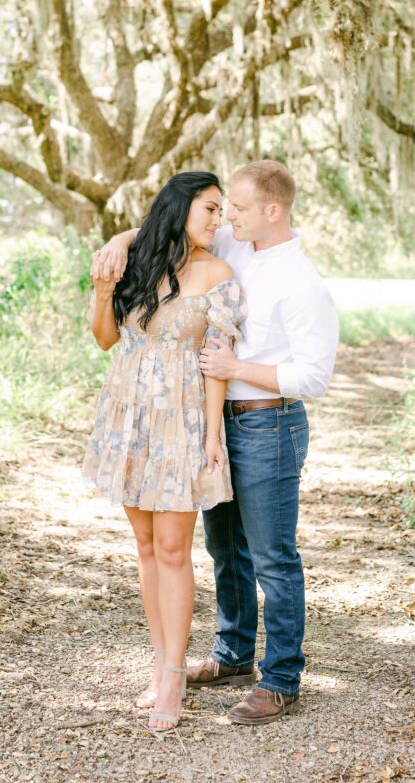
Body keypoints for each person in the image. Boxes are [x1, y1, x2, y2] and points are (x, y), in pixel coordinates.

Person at [95, 160, 338, 725]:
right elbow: (165, 226)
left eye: (239, 207)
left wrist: (237, 365)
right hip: (209, 420)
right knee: (225, 550)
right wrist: (119, 237)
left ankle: (281, 680)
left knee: (273, 558)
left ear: (270, 212)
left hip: (266, 422)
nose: (227, 215)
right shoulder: (236, 241)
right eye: (223, 207)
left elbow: (314, 378)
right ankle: (233, 655)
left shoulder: (300, 282)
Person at [84, 171, 246, 733]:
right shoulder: (137, 263)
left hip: (180, 421)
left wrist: (210, 437)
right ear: (179, 209)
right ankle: (159, 665)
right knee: (147, 546)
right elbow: (105, 338)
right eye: (208, 208)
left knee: (175, 549)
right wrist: (105, 290)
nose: (217, 220)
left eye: (221, 211)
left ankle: (175, 675)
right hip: (127, 419)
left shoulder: (220, 274)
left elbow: (216, 360)